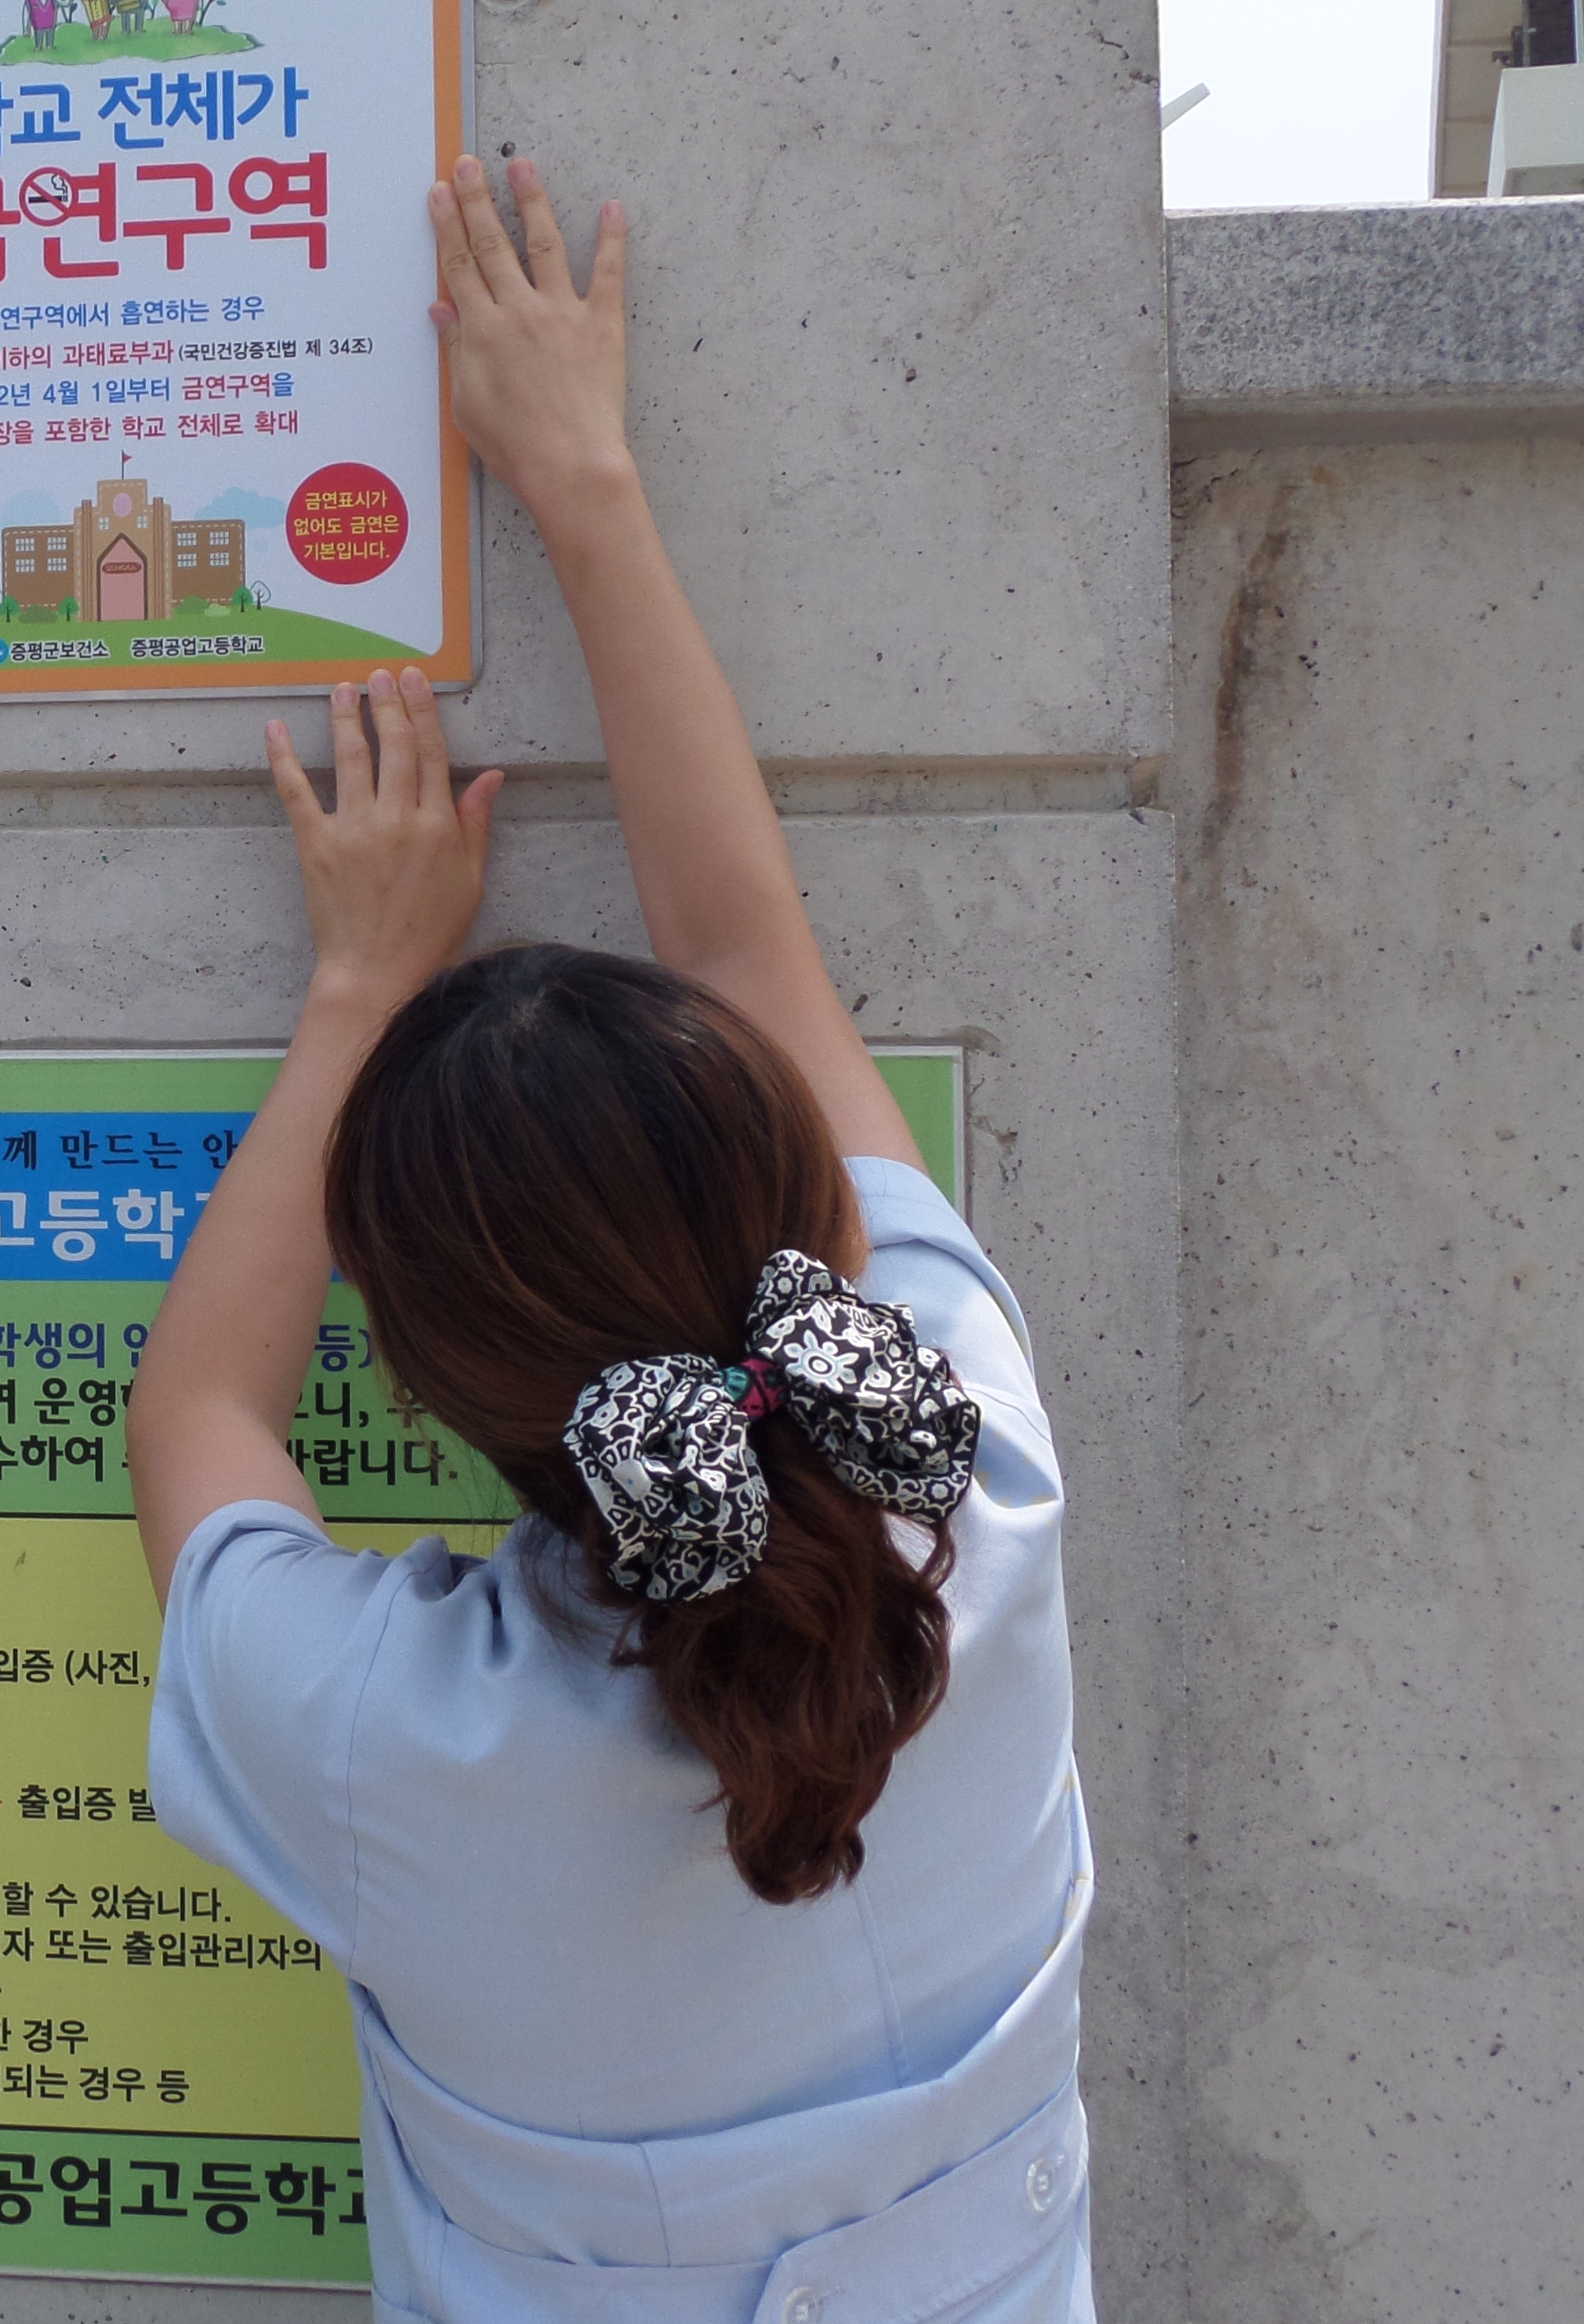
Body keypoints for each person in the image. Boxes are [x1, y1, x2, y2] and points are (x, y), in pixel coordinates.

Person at [128, 157, 1092, 2323]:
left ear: (417, 1376)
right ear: (820, 1214)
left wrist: (358, 984)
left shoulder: (382, 1731)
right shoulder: (978, 1476)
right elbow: (747, 946)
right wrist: (581, 472)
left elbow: (196, 1416)